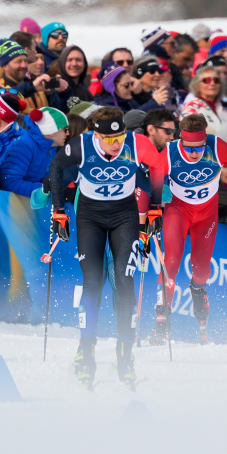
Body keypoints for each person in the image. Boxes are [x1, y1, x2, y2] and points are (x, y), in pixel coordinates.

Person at [47, 107, 158, 390]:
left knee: (124, 279)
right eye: (109, 139)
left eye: (120, 137)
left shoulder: (137, 143)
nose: (116, 144)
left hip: (124, 215)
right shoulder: (81, 146)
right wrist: (58, 210)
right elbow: (56, 167)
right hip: (90, 216)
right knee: (93, 282)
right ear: (96, 135)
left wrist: (155, 207)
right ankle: (86, 352)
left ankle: (125, 354)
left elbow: (159, 167)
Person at [146, 113, 227, 344]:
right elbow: (153, 184)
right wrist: (152, 209)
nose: (194, 153)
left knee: (201, 270)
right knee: (171, 262)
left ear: (205, 140)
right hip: (178, 211)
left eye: (199, 147)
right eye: (189, 148)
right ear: (181, 139)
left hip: (206, 214)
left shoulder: (217, 147)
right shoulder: (170, 153)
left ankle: (198, 288)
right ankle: (162, 320)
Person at [0, 107, 68, 196]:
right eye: (65, 130)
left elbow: (44, 177)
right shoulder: (24, 146)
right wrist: (47, 190)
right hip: (9, 201)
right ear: (51, 131)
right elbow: (10, 182)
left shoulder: (50, 147)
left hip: (28, 200)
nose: (68, 133)